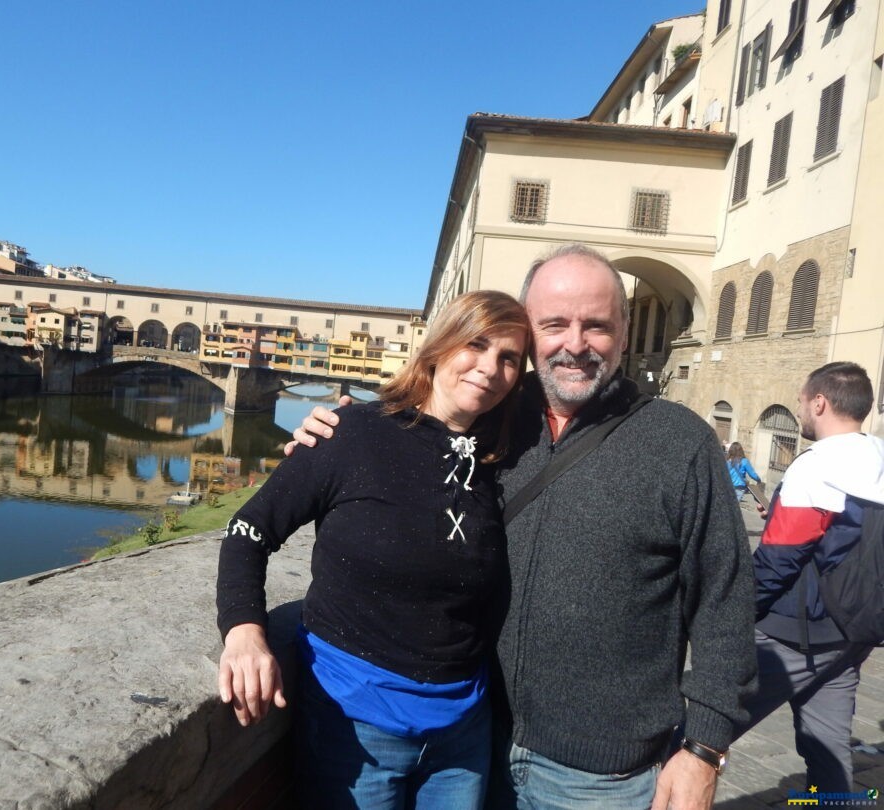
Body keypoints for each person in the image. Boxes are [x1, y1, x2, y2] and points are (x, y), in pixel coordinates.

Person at [290, 243, 757, 810]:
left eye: (597, 326)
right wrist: (328, 433)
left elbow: (725, 600)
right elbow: (399, 433)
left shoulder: (680, 443)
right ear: (528, 333)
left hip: (601, 774)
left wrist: (705, 748)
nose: (576, 343)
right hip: (473, 742)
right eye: (554, 324)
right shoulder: (488, 416)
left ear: (625, 334)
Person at [216, 289, 530, 809]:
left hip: (463, 734)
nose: (489, 368)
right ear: (439, 345)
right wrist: (244, 630)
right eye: (475, 345)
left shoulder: (501, 457)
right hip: (354, 726)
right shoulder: (352, 432)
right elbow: (249, 531)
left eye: (509, 359)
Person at [737, 362, 884, 796]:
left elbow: (778, 562)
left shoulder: (817, 464)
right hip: (854, 632)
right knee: (828, 746)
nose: (801, 411)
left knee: (706, 724)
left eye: (802, 402)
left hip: (794, 632)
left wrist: (734, 609)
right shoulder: (877, 455)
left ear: (819, 402)